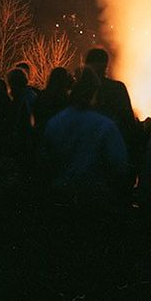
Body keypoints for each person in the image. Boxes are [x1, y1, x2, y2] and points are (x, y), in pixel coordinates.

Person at [40, 67, 132, 206]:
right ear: (94, 92)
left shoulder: (55, 122)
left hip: (60, 199)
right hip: (94, 202)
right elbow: (119, 167)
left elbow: (45, 161)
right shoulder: (105, 126)